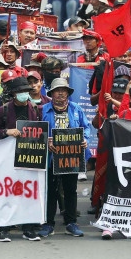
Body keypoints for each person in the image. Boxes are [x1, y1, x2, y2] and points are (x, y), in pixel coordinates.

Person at [0, 75, 42, 242]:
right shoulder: (3, 110)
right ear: (13, 94)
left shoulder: (35, 109)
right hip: (8, 159)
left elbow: (40, 130)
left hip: (29, 156)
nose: (24, 94)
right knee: (8, 193)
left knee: (29, 193)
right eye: (20, 92)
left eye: (26, 91)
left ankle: (28, 228)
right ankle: (4, 228)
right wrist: (6, 132)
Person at [38, 78, 90, 238]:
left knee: (70, 190)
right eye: (57, 90)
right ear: (51, 93)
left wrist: (85, 139)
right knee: (50, 191)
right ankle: (48, 223)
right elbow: (36, 130)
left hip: (71, 156)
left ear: (68, 92)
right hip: (50, 157)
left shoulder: (76, 109)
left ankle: (71, 223)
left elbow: (86, 127)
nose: (60, 93)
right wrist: (46, 140)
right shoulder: (43, 110)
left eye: (63, 90)